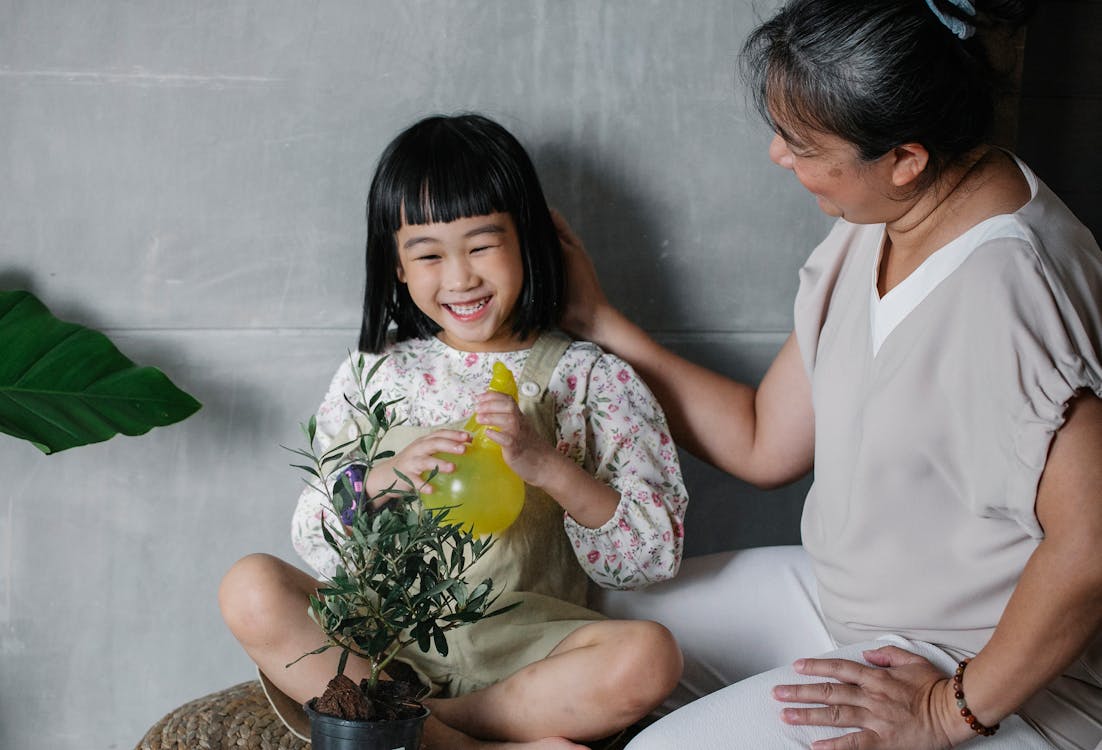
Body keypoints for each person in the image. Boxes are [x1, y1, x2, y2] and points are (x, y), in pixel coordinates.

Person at [559, 1, 1102, 748]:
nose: (779, 157)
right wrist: (598, 321)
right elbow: (765, 441)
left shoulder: (1009, 287)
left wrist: (949, 711)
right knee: (573, 626)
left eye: (802, 143)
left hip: (980, 668)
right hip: (847, 602)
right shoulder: (879, 217)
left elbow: (1094, 539)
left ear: (905, 158)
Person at [218, 113, 687, 750]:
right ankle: (455, 743)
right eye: (429, 254)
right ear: (397, 266)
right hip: (380, 645)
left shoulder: (589, 379)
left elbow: (647, 559)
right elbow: (315, 536)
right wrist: (387, 477)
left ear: (529, 240)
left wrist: (547, 465)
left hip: (526, 654)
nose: (461, 277)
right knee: (249, 586)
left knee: (651, 657)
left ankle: (427, 731)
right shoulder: (377, 374)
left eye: (482, 244)